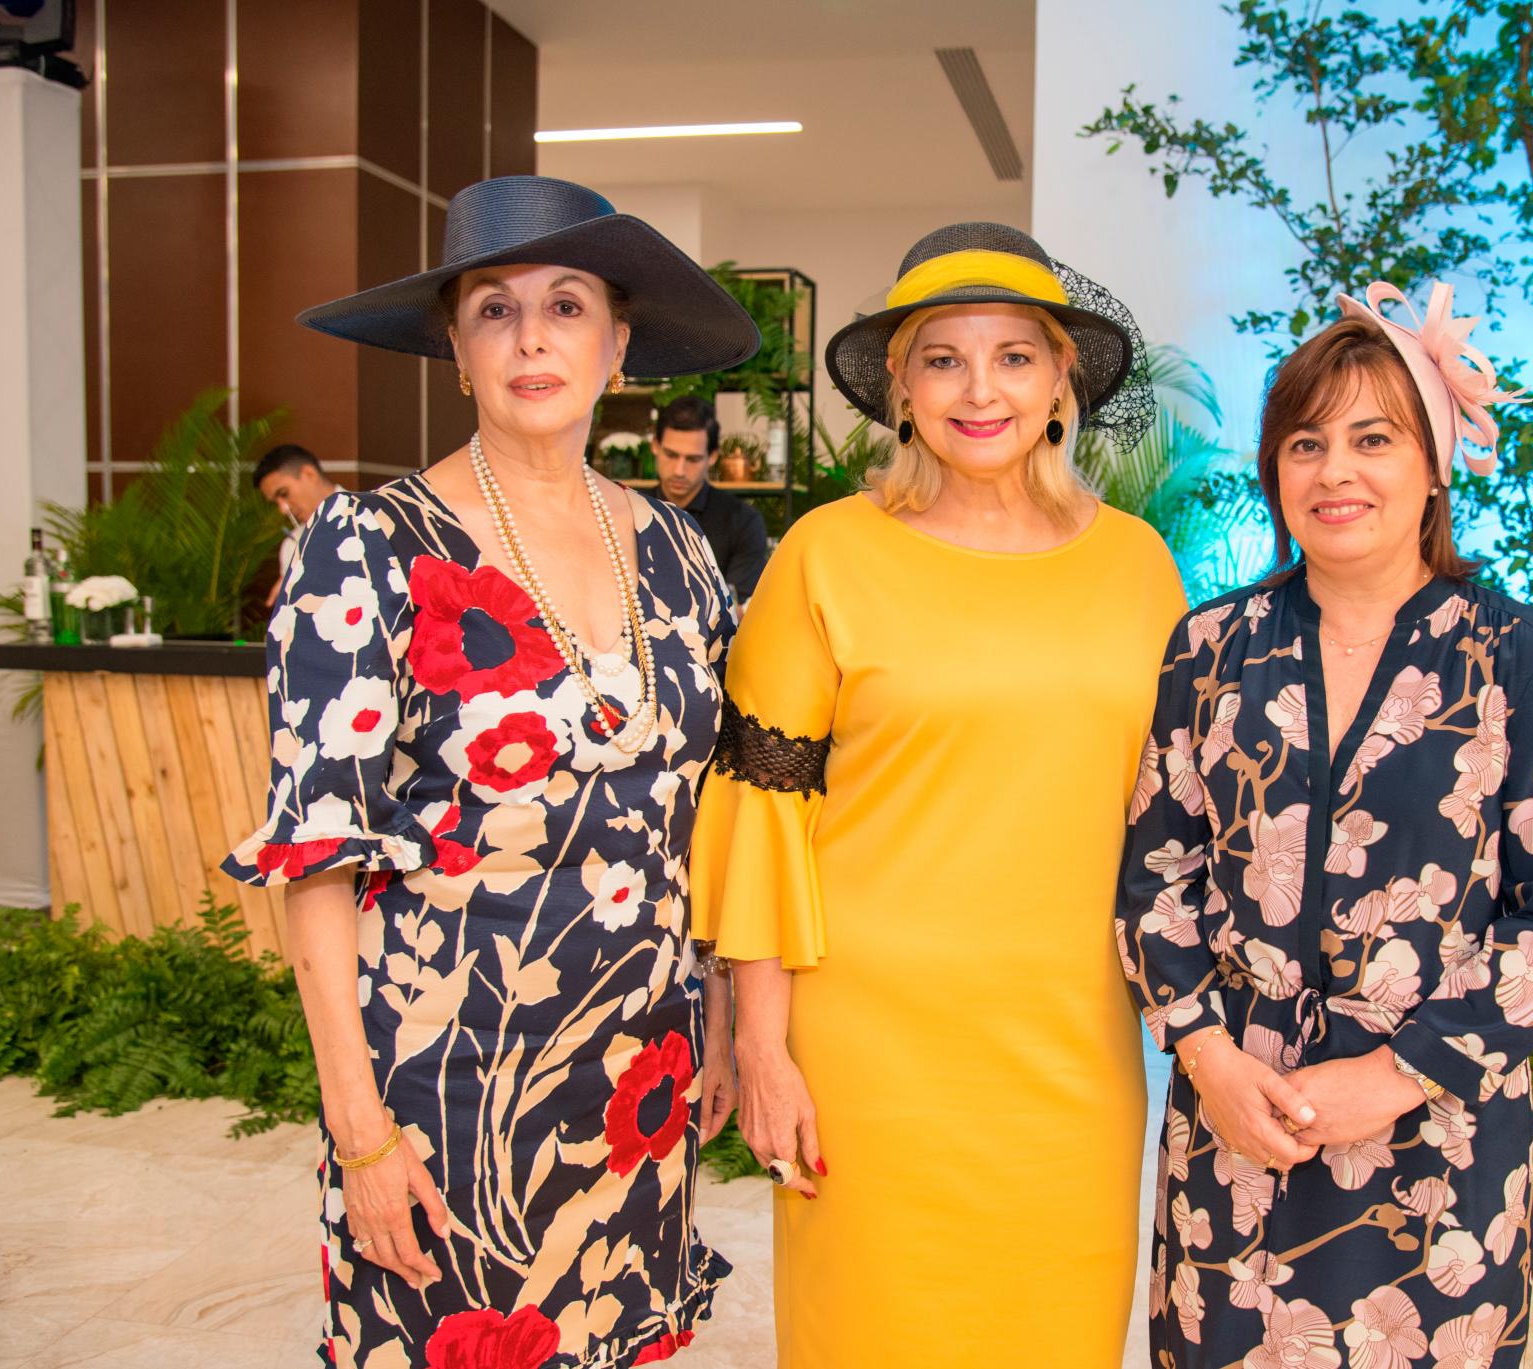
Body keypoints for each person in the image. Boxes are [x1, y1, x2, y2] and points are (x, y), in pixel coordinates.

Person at [220, 174, 761, 1368]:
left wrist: (720, 1010)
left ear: (617, 345)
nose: (530, 336)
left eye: (567, 306)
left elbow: (707, 812)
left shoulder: (677, 552)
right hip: (448, 1082)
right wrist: (358, 1130)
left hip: (639, 1067)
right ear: (452, 350)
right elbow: (317, 857)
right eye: (492, 307)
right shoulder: (362, 547)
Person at [688, 222, 1186, 1366]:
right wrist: (762, 1045)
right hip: (869, 1051)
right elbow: (763, 812)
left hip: (1071, 1051)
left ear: (1063, 379)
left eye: (1014, 355)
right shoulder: (827, 554)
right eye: (943, 357)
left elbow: (1176, 813)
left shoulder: (1139, 568)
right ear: (901, 387)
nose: (980, 388)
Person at [1119, 283, 1533, 1368]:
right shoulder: (1206, 650)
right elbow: (1154, 877)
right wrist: (1204, 1054)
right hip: (1236, 1127)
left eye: (1371, 438)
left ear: (1432, 463)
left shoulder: (1523, 659)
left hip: (1437, 1133)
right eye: (1303, 443)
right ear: (1273, 472)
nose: (1333, 470)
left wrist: (1396, 1074)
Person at [652, 394, 769, 602]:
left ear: (712, 456)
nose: (679, 470)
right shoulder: (626, 511)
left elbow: (737, 608)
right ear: (655, 446)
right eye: (670, 455)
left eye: (693, 459)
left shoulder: (742, 521)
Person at [254, 444, 344, 607]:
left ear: (309, 474)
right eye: (276, 503)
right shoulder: (293, 543)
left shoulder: (372, 517)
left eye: (284, 494)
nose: (283, 509)